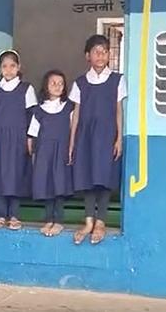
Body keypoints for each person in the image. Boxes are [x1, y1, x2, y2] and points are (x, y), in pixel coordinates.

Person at [69, 35, 126, 245]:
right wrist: (72, 142)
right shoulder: (80, 83)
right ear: (87, 56)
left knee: (104, 178)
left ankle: (101, 221)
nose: (100, 55)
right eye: (96, 51)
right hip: (85, 135)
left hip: (107, 134)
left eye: (104, 51)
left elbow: (118, 111)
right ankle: (88, 221)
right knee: (87, 178)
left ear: (109, 55)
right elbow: (76, 114)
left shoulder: (117, 80)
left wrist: (119, 138)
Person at [0, 49, 37, 230]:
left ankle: (14, 215)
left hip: (18, 138)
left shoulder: (26, 89)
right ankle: (1, 214)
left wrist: (30, 138)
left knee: (15, 174)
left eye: (12, 66)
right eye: (5, 66)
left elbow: (31, 116)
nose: (9, 70)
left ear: (18, 67)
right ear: (0, 69)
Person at [28, 69, 74, 237]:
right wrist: (33, 154)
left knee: (59, 185)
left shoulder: (69, 107)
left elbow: (73, 130)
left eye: (60, 83)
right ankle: (48, 219)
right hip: (44, 152)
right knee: (46, 184)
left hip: (61, 151)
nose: (57, 86)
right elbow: (32, 134)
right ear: (46, 86)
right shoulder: (39, 111)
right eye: (53, 83)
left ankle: (59, 221)